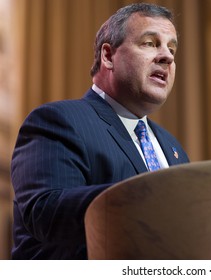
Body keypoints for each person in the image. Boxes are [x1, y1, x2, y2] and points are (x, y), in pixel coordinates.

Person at [11, 3, 190, 259]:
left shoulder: (172, 148)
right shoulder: (60, 121)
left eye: (171, 48)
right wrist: (150, 197)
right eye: (150, 43)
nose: (168, 57)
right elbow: (44, 212)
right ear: (108, 56)